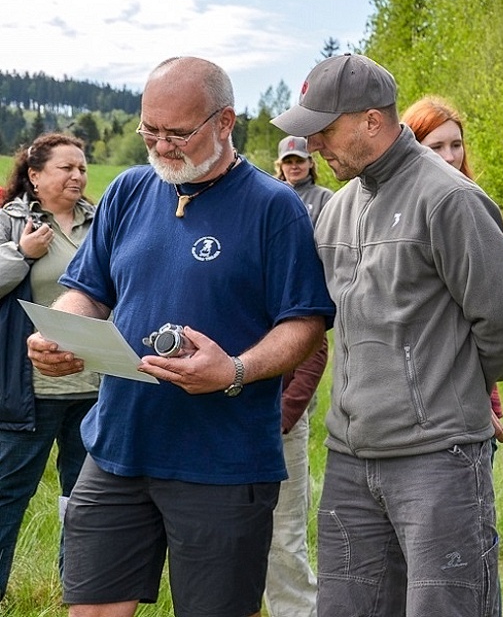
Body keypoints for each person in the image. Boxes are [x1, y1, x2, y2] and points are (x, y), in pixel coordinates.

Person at [27, 56, 336, 617]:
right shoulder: (127, 190)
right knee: (90, 610)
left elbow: (306, 325)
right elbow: (87, 288)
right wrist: (64, 330)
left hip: (223, 461)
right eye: (150, 129)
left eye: (177, 133)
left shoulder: (275, 208)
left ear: (225, 122)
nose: (161, 146)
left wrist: (234, 370)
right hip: (118, 445)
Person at [272, 53, 503, 617]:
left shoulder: (450, 200)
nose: (314, 147)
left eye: (324, 131)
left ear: (371, 120)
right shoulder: (337, 210)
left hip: (438, 459)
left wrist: (452, 391)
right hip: (349, 459)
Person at [0, 134, 97, 600]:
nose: (77, 175)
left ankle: (76, 596)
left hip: (95, 387)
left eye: (81, 167)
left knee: (83, 503)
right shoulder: (10, 223)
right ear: (35, 175)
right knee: (7, 496)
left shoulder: (101, 222)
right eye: (66, 167)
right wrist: (22, 253)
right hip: (27, 391)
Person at [399, 96, 503, 445]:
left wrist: (477, 397)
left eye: (456, 144)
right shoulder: (399, 214)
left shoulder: (474, 205)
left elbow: (496, 316)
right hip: (417, 394)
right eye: (436, 146)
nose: (449, 156)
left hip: (466, 385)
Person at [264, 135, 334, 617]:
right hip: (223, 411)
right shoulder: (267, 202)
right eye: (286, 161)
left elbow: (313, 340)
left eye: (300, 161)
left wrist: (287, 413)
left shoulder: (325, 203)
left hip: (283, 408)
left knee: (284, 533)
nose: (293, 167)